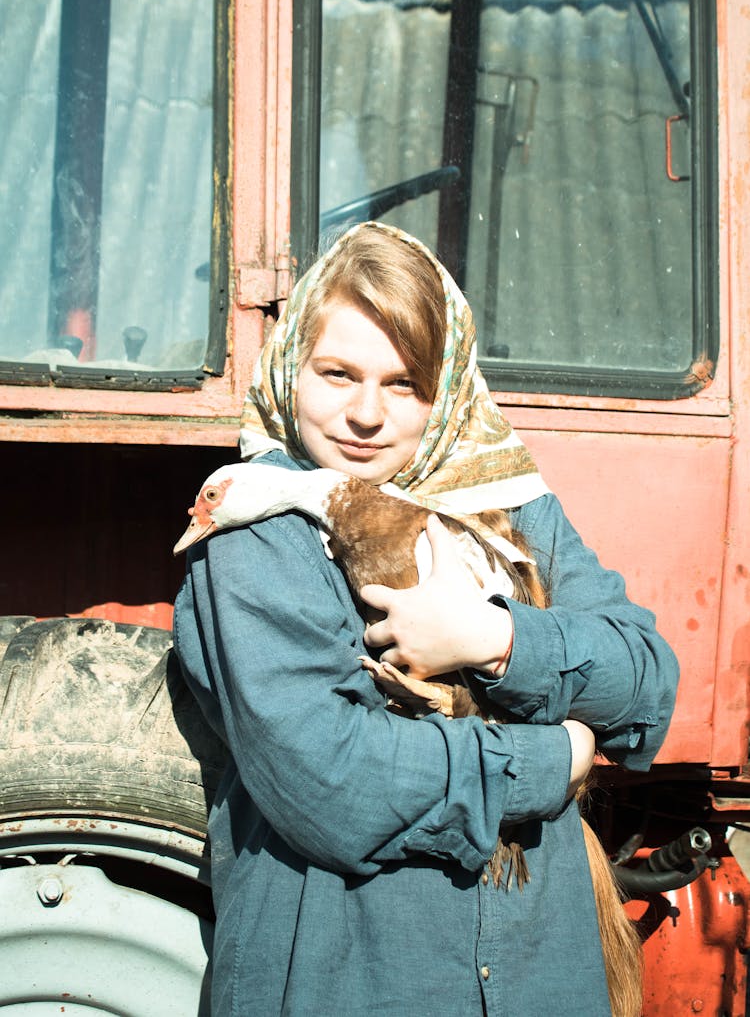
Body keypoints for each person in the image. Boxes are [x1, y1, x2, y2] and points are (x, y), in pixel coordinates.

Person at [173, 221, 679, 1017]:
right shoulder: (258, 531)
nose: (364, 414)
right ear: (288, 366)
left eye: (403, 383)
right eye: (337, 373)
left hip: (538, 978)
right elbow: (331, 784)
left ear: (445, 390)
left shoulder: (504, 505)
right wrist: (554, 758)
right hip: (348, 981)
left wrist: (493, 637)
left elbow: (647, 680)